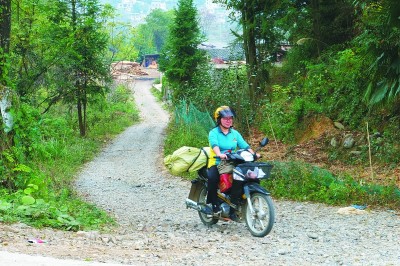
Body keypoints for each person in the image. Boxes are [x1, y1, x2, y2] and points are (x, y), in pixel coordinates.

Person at [203, 106, 258, 220]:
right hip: (217, 162)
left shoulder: (235, 133)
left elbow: (245, 145)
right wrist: (219, 154)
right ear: (219, 120)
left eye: (230, 118)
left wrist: (254, 154)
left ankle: (235, 203)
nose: (228, 121)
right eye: (225, 118)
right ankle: (213, 204)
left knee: (245, 176)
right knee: (212, 178)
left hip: (232, 161)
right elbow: (214, 145)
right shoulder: (213, 133)